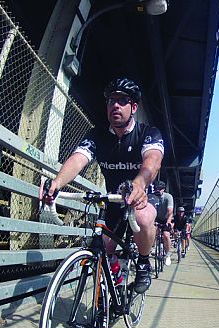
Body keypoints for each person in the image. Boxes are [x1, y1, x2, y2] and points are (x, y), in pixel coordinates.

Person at [40, 77, 164, 294]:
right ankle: (115, 279)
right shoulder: (97, 135)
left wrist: (139, 184)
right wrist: (57, 183)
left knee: (143, 218)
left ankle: (143, 263)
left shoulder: (148, 134)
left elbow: (152, 162)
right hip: (115, 199)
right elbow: (78, 159)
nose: (115, 105)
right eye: (111, 100)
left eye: (122, 100)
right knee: (102, 250)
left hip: (143, 196)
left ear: (134, 107)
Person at [153, 181, 174, 256]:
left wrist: (168, 221)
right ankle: (153, 247)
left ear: (163, 189)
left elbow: (170, 211)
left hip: (166, 218)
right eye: (157, 188)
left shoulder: (168, 197)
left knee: (166, 235)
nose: (158, 190)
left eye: (160, 188)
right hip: (156, 218)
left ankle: (167, 254)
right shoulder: (152, 196)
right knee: (152, 232)